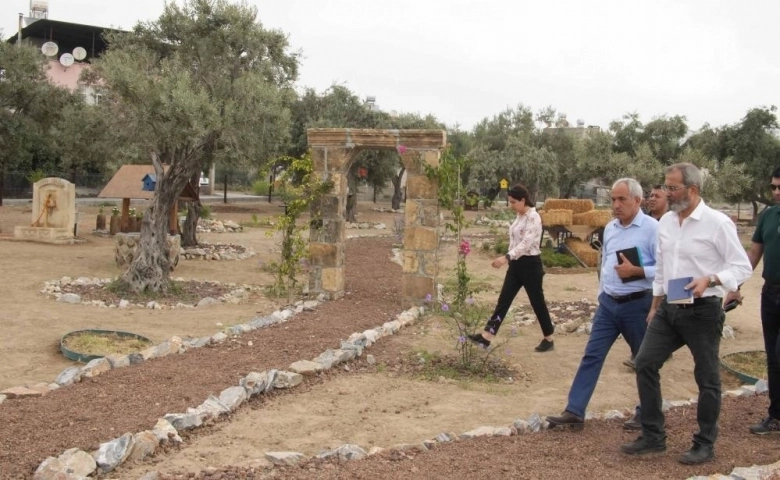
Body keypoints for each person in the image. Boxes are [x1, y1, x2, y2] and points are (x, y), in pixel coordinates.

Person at [621, 163, 752, 465]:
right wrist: (655, 306)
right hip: (670, 307)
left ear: (692, 190)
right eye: (665, 186)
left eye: (672, 187)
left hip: (703, 310)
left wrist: (713, 279)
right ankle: (653, 436)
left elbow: (741, 266)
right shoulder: (666, 221)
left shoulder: (717, 223)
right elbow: (664, 268)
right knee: (644, 363)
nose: (666, 193)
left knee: (707, 378)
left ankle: (705, 443)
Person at [546, 178, 658, 431]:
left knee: (645, 362)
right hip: (609, 304)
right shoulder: (611, 228)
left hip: (637, 305)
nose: (615, 205)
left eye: (622, 199)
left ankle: (648, 413)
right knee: (592, 356)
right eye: (613, 200)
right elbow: (605, 262)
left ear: (638, 201)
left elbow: (667, 268)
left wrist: (639, 271)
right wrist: (602, 293)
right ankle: (574, 411)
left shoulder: (653, 229)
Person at [468, 184, 555, 352]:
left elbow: (526, 243)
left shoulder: (533, 217)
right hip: (516, 265)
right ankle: (487, 336)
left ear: (523, 200)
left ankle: (549, 338)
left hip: (530, 264)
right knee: (504, 300)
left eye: (514, 202)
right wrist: (510, 257)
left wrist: (506, 257)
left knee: (537, 302)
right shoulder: (519, 216)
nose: (511, 205)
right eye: (509, 202)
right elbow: (514, 239)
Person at [731, 167, 780, 435]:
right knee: (772, 357)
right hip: (770, 293)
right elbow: (754, 254)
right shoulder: (769, 216)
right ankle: (776, 416)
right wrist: (735, 285)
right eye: (773, 187)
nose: (775, 192)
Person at [624, 184, 670, 369]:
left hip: (666, 279)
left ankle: (653, 353)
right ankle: (642, 354)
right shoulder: (642, 222)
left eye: (657, 196)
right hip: (645, 284)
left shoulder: (671, 223)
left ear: (668, 199)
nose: (651, 199)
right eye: (650, 195)